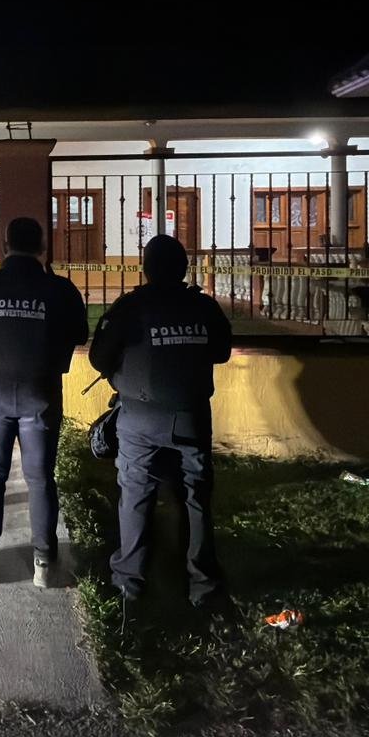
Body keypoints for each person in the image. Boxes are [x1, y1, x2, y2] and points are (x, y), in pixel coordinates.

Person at [88, 234, 233, 609]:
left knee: (136, 494)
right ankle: (203, 586)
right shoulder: (204, 307)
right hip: (191, 416)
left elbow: (99, 359)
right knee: (196, 497)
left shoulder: (130, 307)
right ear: (184, 269)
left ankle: (129, 585)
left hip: (139, 418)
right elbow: (221, 351)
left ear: (146, 269)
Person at [0, 216, 88, 589]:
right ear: (42, 247)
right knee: (40, 478)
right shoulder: (59, 289)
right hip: (39, 393)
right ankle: (44, 561)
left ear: (4, 245)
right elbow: (80, 333)